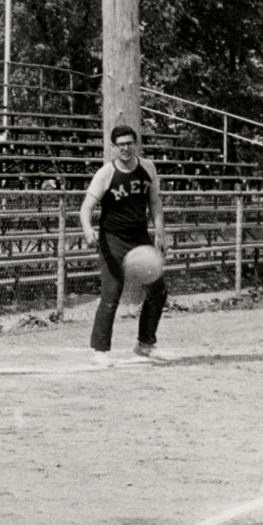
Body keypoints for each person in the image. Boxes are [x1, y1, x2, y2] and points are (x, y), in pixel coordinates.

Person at [80, 122, 168, 366]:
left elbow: (155, 203)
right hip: (113, 238)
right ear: (113, 147)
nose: (125, 148)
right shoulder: (106, 173)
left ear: (136, 144)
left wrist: (160, 234)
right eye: (121, 145)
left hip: (139, 238)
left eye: (129, 143)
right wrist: (88, 230)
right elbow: (86, 207)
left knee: (158, 291)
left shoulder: (148, 167)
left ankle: (145, 344)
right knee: (112, 293)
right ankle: (100, 350)